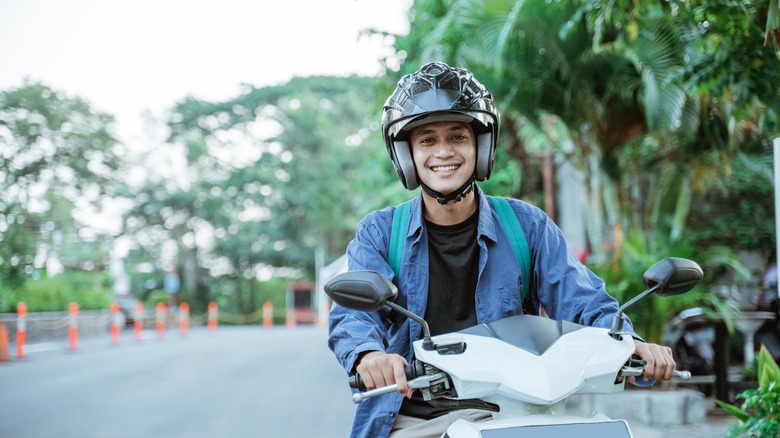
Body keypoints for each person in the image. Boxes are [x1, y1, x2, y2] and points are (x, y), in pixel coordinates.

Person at [327, 61, 676, 438]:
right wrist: (369, 355)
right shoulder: (380, 232)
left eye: (458, 137)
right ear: (407, 154)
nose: (443, 151)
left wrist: (629, 342)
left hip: (511, 412)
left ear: (481, 146)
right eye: (427, 139)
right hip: (413, 418)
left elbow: (583, 298)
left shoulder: (527, 226)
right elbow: (354, 315)